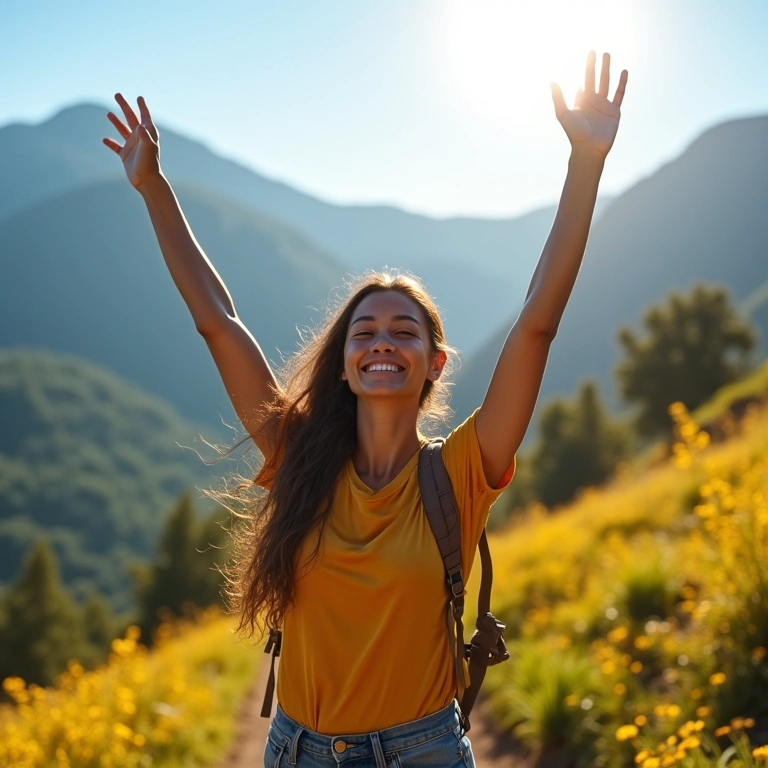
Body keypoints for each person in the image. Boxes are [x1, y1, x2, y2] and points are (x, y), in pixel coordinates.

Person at [104, 50, 627, 768]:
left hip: (423, 751)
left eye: (404, 331)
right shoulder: (295, 456)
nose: (383, 342)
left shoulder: (464, 472)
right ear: (345, 364)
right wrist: (154, 187)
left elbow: (537, 319)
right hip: (297, 750)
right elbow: (218, 322)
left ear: (435, 364)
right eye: (365, 331)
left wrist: (586, 164)